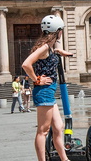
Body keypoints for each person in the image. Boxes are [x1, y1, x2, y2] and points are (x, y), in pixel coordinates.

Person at [22, 15, 72, 161]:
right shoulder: (44, 47)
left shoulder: (48, 48)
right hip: (44, 92)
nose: (62, 33)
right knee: (43, 131)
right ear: (57, 31)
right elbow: (26, 64)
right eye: (61, 30)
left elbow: (46, 57)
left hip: (49, 91)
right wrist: (36, 79)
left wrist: (58, 52)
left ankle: (64, 159)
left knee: (58, 127)